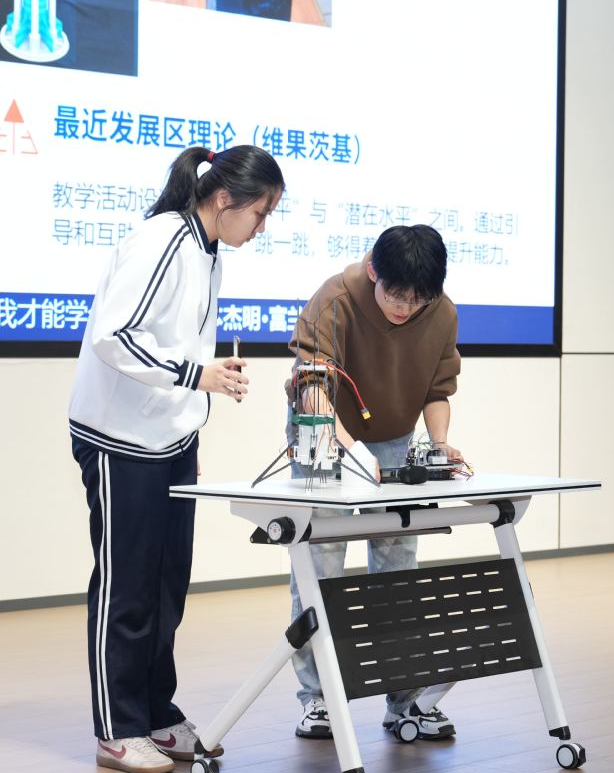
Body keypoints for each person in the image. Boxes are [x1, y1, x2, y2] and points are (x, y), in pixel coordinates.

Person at [69, 145, 284, 773]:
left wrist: (195, 404)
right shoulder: (161, 240)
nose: (262, 227)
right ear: (224, 199)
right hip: (119, 439)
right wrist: (198, 375)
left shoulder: (208, 250)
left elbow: (175, 344)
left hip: (169, 439)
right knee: (127, 587)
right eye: (261, 213)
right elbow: (113, 336)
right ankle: (118, 729)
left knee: (167, 587)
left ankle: (156, 714)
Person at [284, 224, 463, 741]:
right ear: (372, 272)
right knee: (320, 560)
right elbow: (312, 386)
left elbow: (437, 390)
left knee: (397, 560)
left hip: (394, 434)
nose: (405, 308)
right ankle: (318, 698)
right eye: (395, 295)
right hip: (322, 431)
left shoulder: (441, 312)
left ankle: (404, 700)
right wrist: (352, 450)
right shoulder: (334, 299)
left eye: (417, 299)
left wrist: (439, 443)